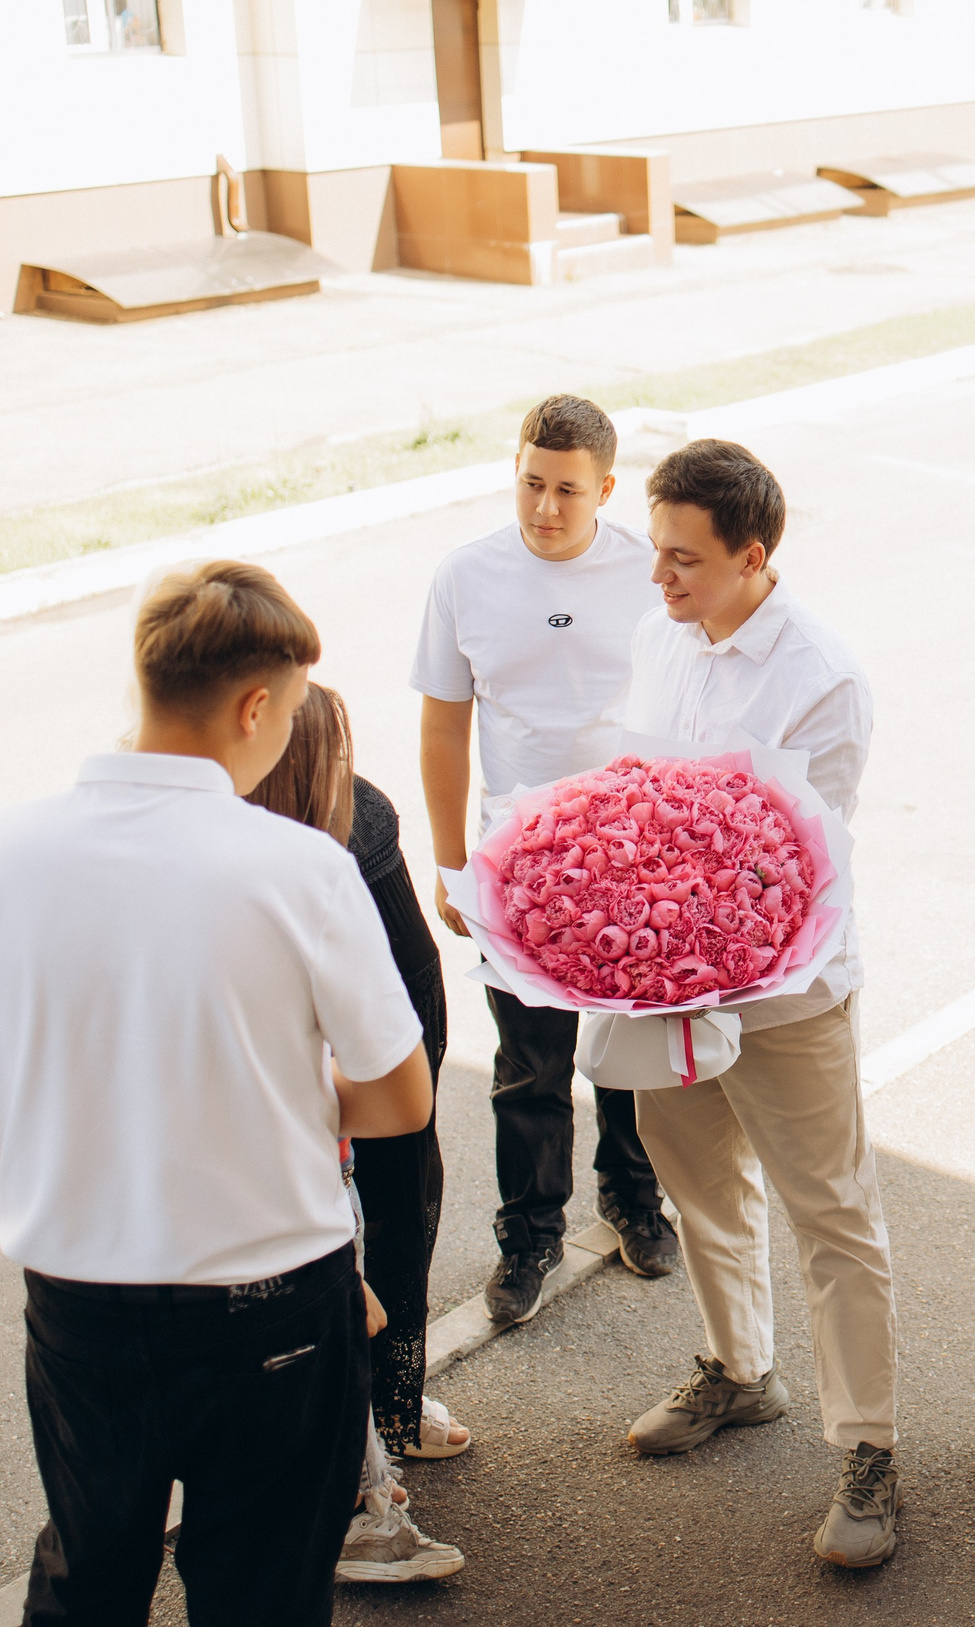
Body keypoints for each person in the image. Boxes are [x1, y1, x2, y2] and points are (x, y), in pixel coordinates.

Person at [0, 560, 433, 1625]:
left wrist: (73, 1113)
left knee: (88, 1579)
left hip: (80, 1307)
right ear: (255, 707)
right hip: (275, 1303)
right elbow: (400, 1097)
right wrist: (267, 1107)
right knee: (261, 1594)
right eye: (289, 714)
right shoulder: (301, 869)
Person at [615, 438, 901, 1569]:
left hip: (785, 994)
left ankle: (870, 1450)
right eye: (656, 552)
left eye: (683, 559)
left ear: (753, 556)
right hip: (662, 984)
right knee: (696, 1185)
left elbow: (789, 861)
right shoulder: (660, 632)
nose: (658, 577)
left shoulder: (823, 676)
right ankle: (740, 1371)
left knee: (833, 1216)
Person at [414, 394, 679, 1329]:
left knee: (628, 1051)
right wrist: (451, 861)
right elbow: (444, 726)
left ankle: (634, 1197)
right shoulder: (466, 576)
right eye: (531, 483)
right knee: (530, 1067)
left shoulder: (647, 574)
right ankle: (528, 1234)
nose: (545, 507)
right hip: (516, 867)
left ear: (605, 489)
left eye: (568, 489)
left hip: (631, 861)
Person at [242, 683, 466, 1583]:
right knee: (310, 1301)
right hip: (308, 1117)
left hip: (345, 1103)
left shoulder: (358, 816)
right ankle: (347, 1499)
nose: (343, 772)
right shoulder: (260, 870)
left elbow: (412, 990)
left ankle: (384, 1424)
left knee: (380, 1251)